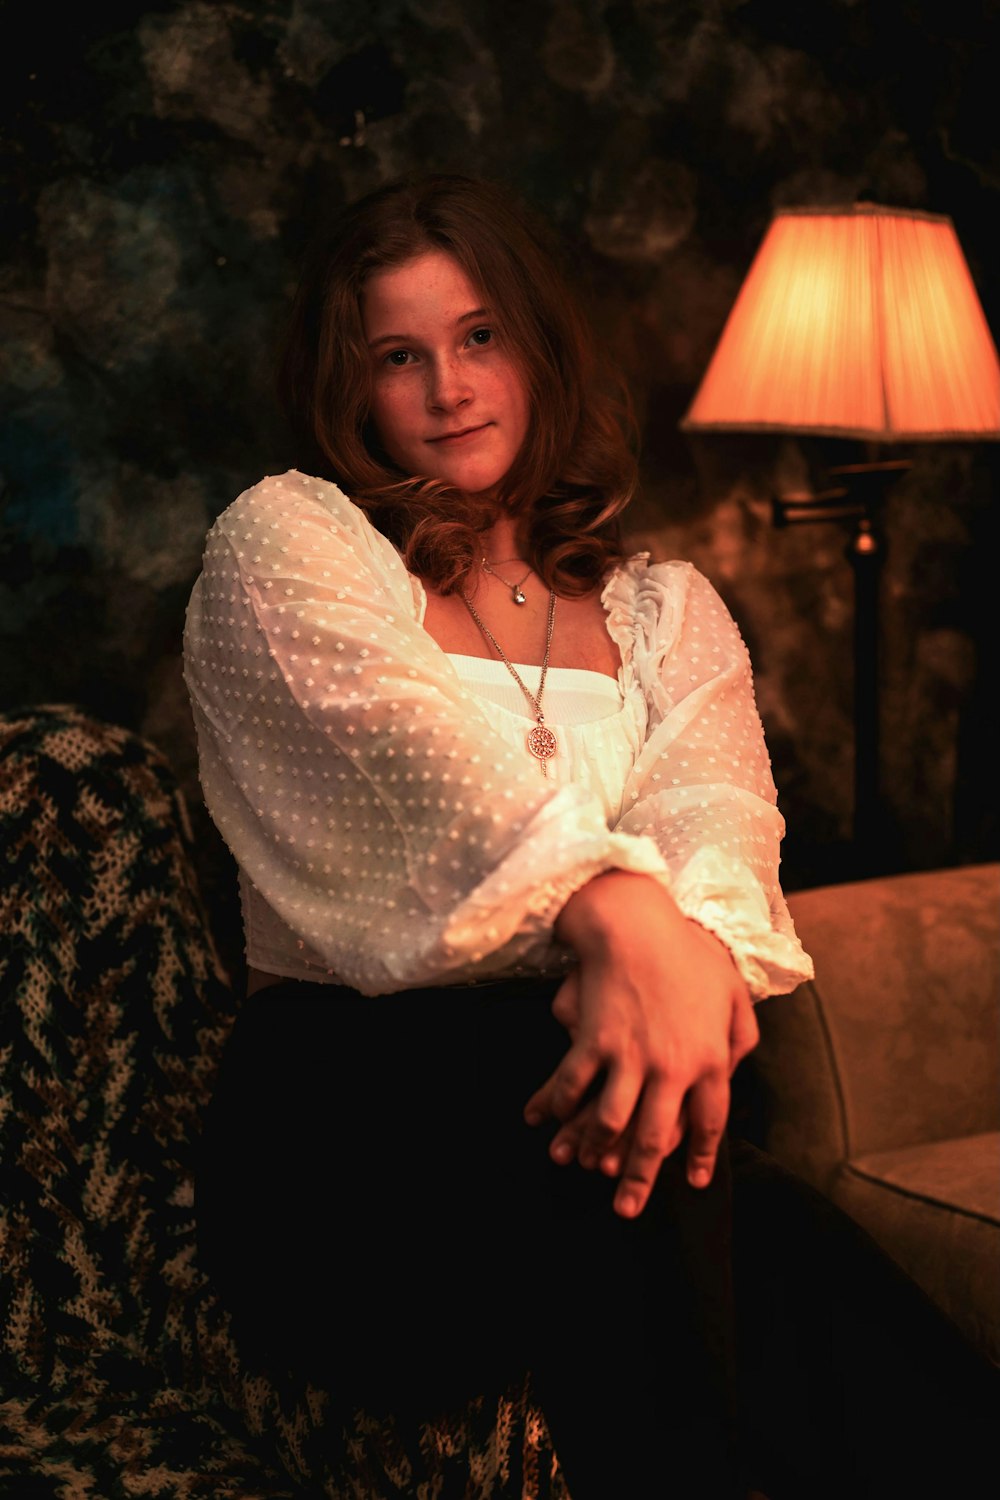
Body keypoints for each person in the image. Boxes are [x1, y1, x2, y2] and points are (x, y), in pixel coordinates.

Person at [183, 173, 997, 1500]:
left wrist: (671, 973)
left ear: (539, 346)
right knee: (675, 1161)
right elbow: (424, 776)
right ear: (353, 385)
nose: (449, 385)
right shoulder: (292, 545)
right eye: (402, 354)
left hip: (611, 1091)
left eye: (482, 334)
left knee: (743, 1221)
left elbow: (720, 833)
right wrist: (619, 919)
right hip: (351, 1127)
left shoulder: (665, 609)